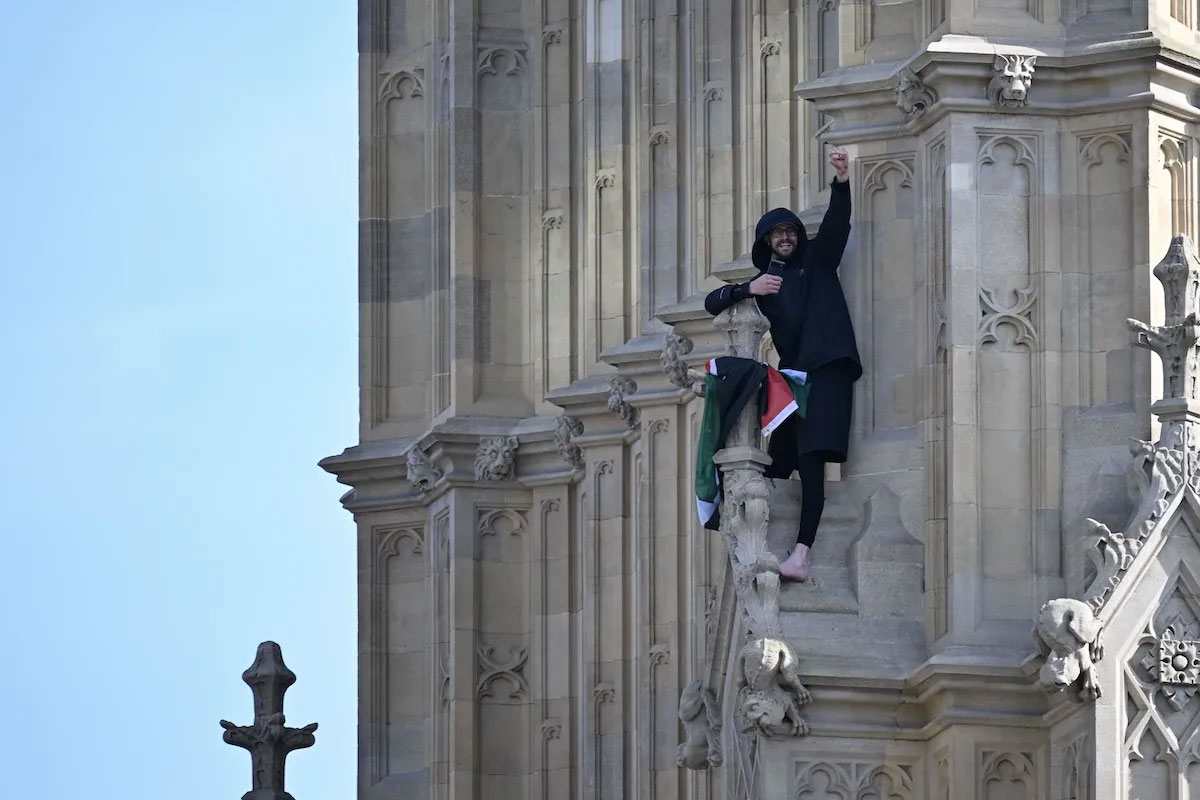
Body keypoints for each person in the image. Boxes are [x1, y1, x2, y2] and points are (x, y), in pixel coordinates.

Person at [703, 147, 862, 581]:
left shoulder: (818, 262)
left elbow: (836, 223)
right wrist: (748, 288)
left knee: (811, 462)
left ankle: (802, 555)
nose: (786, 238)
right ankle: (757, 543)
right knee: (773, 461)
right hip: (793, 381)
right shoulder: (766, 285)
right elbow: (711, 301)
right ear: (766, 242)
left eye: (790, 231)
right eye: (777, 234)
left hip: (828, 371)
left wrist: (841, 181)